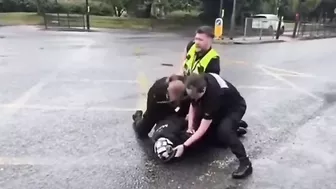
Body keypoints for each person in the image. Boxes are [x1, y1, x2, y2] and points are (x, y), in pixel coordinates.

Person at [173, 73, 253, 179]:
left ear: (202, 90)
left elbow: (202, 129)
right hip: (221, 107)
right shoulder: (198, 82)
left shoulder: (213, 97)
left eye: (194, 96)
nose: (192, 98)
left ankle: (245, 163)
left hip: (235, 108)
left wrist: (184, 145)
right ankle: (234, 127)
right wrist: (190, 127)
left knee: (224, 131)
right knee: (212, 136)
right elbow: (193, 104)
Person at [132, 75, 190, 139]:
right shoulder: (158, 92)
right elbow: (173, 102)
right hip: (157, 99)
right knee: (142, 131)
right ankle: (137, 117)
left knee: (181, 120)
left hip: (175, 98)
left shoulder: (188, 89)